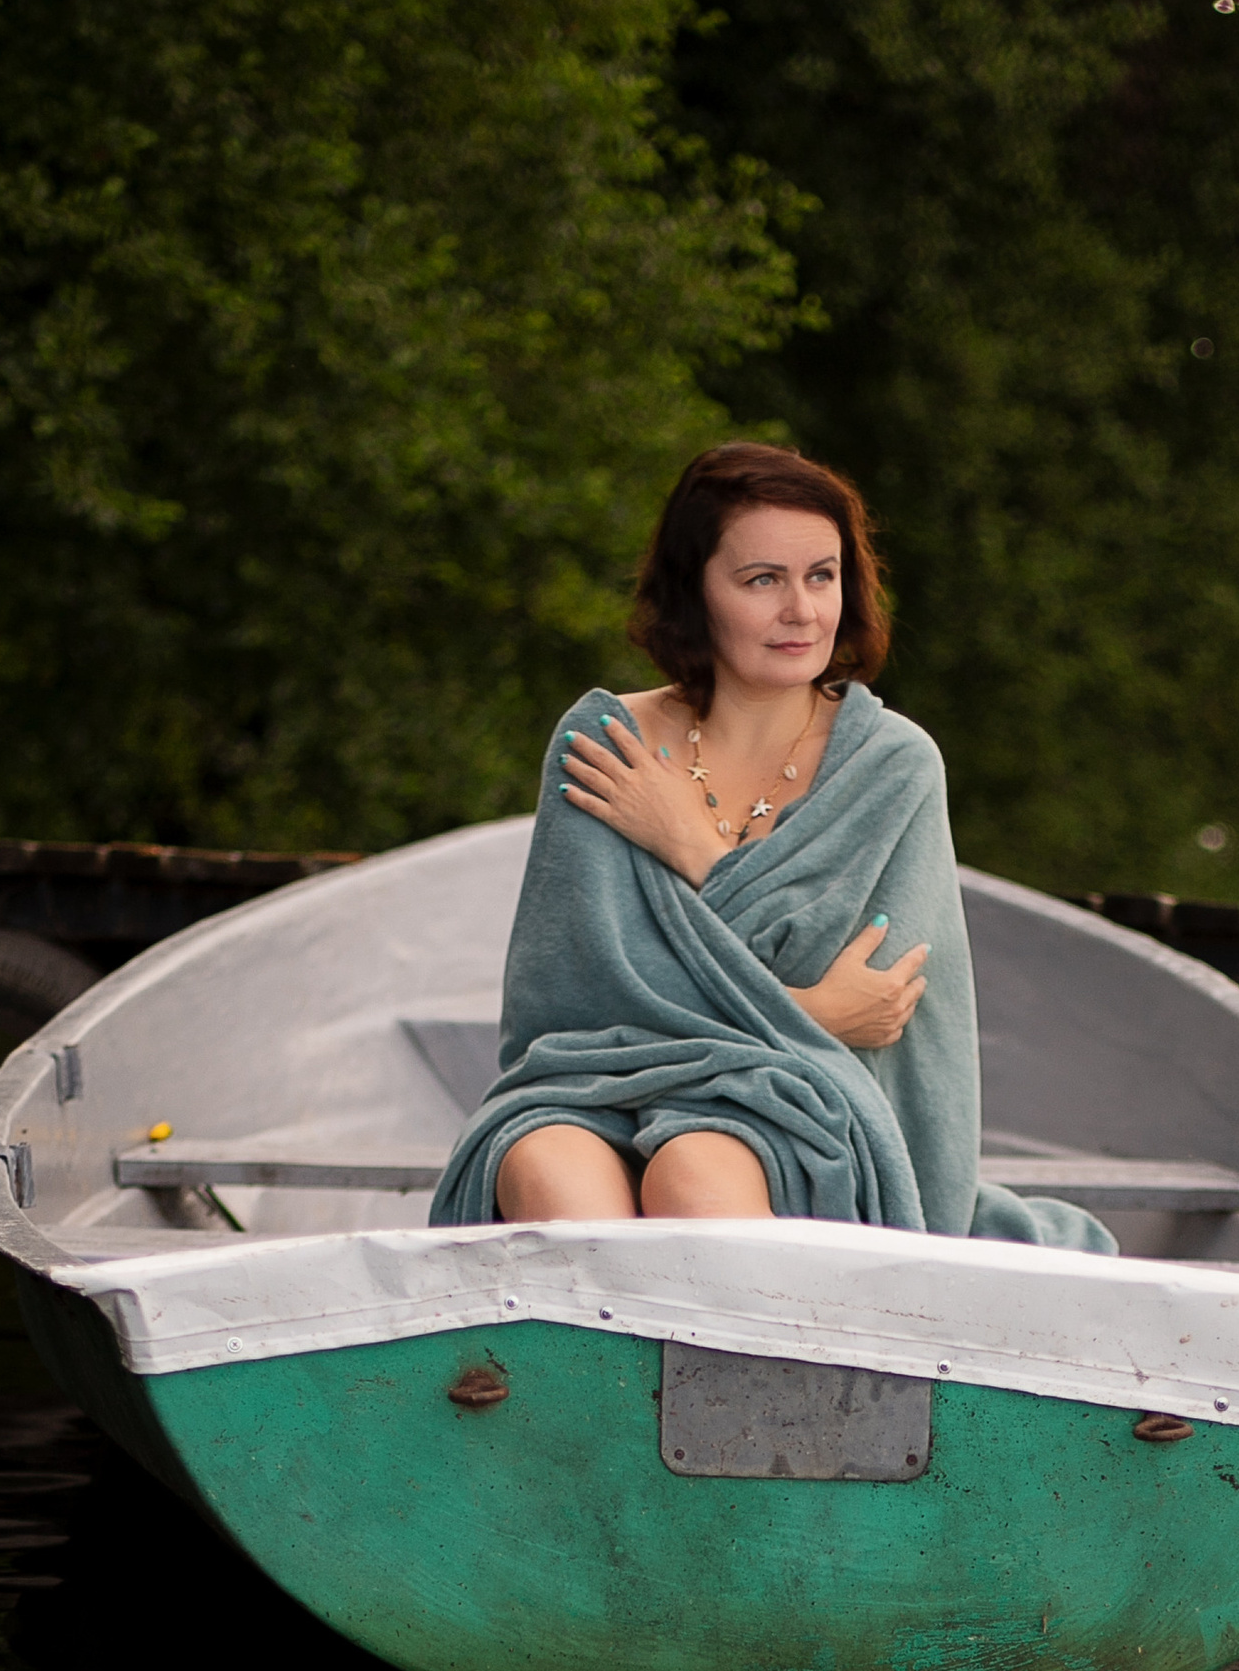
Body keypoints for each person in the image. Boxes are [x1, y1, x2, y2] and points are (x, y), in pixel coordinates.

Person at [430, 442, 1112, 1249]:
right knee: (552, 1175)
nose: (802, 611)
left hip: (794, 1096)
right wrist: (813, 1008)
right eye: (763, 580)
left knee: (695, 1172)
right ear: (695, 593)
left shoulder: (890, 767)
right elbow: (568, 1005)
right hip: (591, 1087)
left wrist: (695, 849)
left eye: (821, 575)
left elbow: (886, 1012)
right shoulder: (605, 742)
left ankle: (766, 1374)